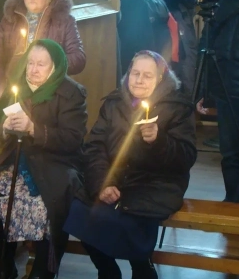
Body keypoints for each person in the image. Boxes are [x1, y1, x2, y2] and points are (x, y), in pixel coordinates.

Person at [0, 39, 87, 278]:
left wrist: (33, 128)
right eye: (30, 63)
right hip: (15, 160)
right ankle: (2, 264)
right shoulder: (16, 87)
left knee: (41, 208)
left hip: (55, 165)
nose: (33, 69)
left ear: (54, 67)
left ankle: (42, 270)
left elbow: (72, 139)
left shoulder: (71, 92)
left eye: (41, 64)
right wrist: (5, 128)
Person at [64, 50, 197, 279]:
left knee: (134, 215)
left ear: (161, 79)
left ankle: (141, 267)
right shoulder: (115, 103)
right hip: (113, 178)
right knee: (79, 211)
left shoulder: (177, 107)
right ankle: (106, 269)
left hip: (155, 184)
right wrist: (103, 184)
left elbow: (185, 157)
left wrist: (159, 141)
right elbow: (95, 147)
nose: (139, 80)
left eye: (147, 75)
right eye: (135, 73)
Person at [196, 0, 239, 203]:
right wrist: (203, 87)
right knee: (231, 156)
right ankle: (234, 207)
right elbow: (206, 43)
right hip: (227, 92)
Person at [0, 0, 86, 101]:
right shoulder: (11, 18)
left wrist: (51, 65)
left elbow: (79, 58)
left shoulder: (64, 21)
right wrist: (0, 84)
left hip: (50, 94)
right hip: (13, 91)